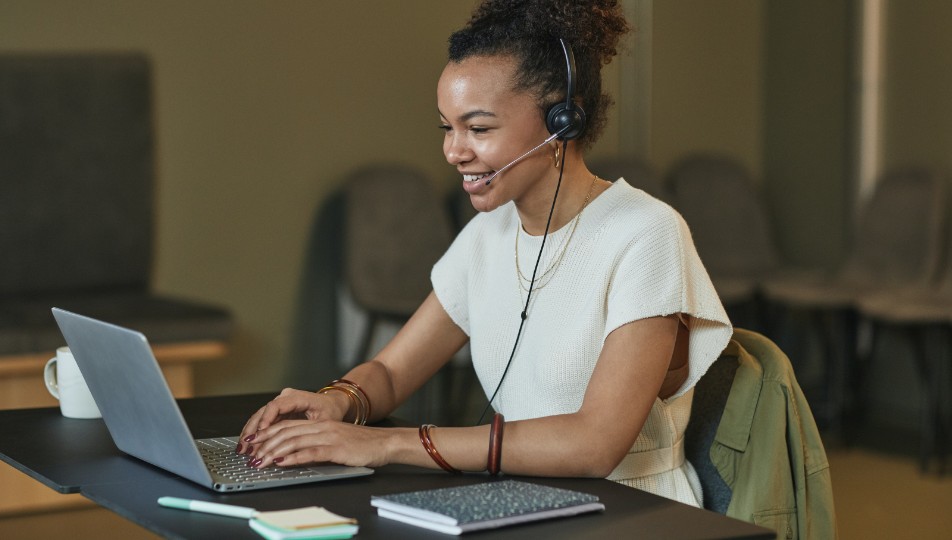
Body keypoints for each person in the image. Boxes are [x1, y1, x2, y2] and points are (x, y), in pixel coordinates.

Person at [238, 0, 731, 507]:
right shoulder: (487, 233)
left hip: (631, 512)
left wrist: (385, 443)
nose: (454, 151)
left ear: (562, 121)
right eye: (447, 128)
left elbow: (594, 445)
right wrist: (335, 404)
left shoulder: (646, 234)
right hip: (517, 502)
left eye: (478, 129)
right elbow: (389, 373)